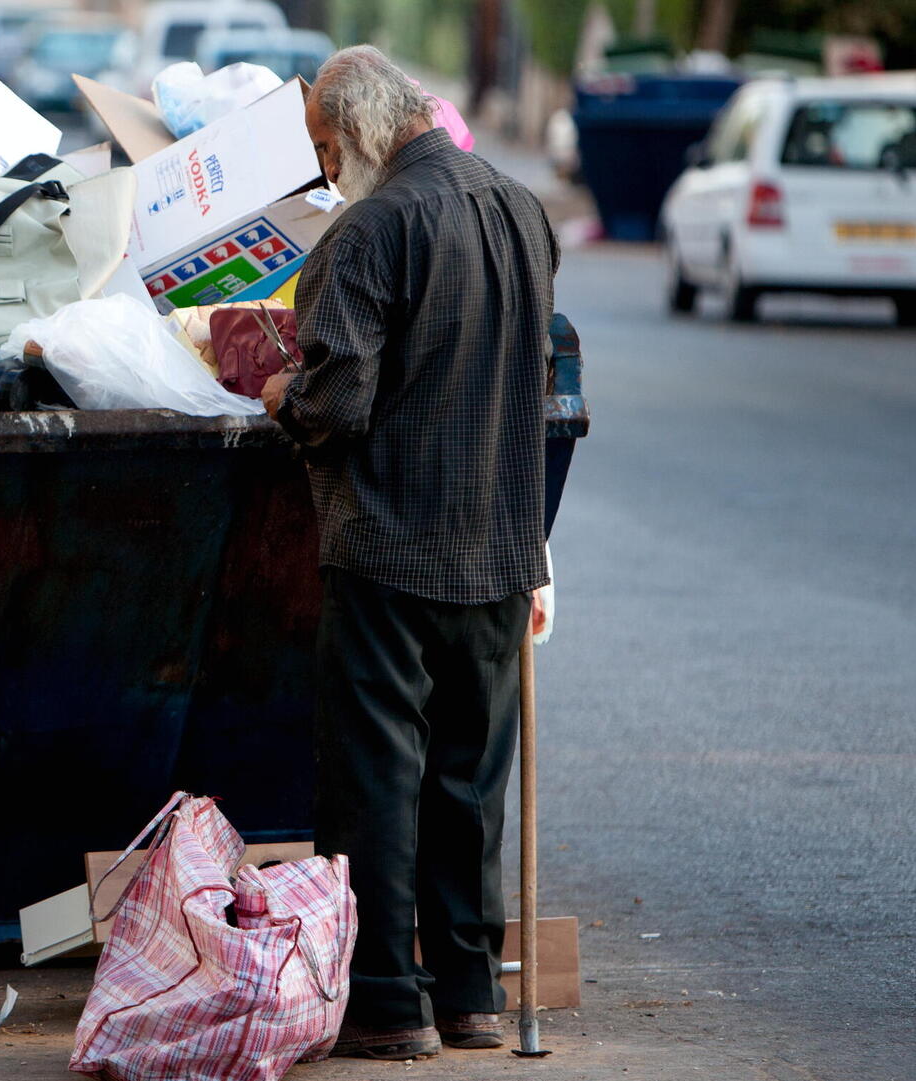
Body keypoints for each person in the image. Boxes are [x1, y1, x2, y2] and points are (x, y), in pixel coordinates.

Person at [259, 45, 558, 1061]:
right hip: (500, 544)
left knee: (379, 774)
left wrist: (279, 397)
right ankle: (472, 995)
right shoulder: (523, 210)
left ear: (360, 126)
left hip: (390, 543)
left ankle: (389, 1000)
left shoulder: (369, 230)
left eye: (326, 146)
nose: (330, 167)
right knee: (471, 777)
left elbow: (337, 401)